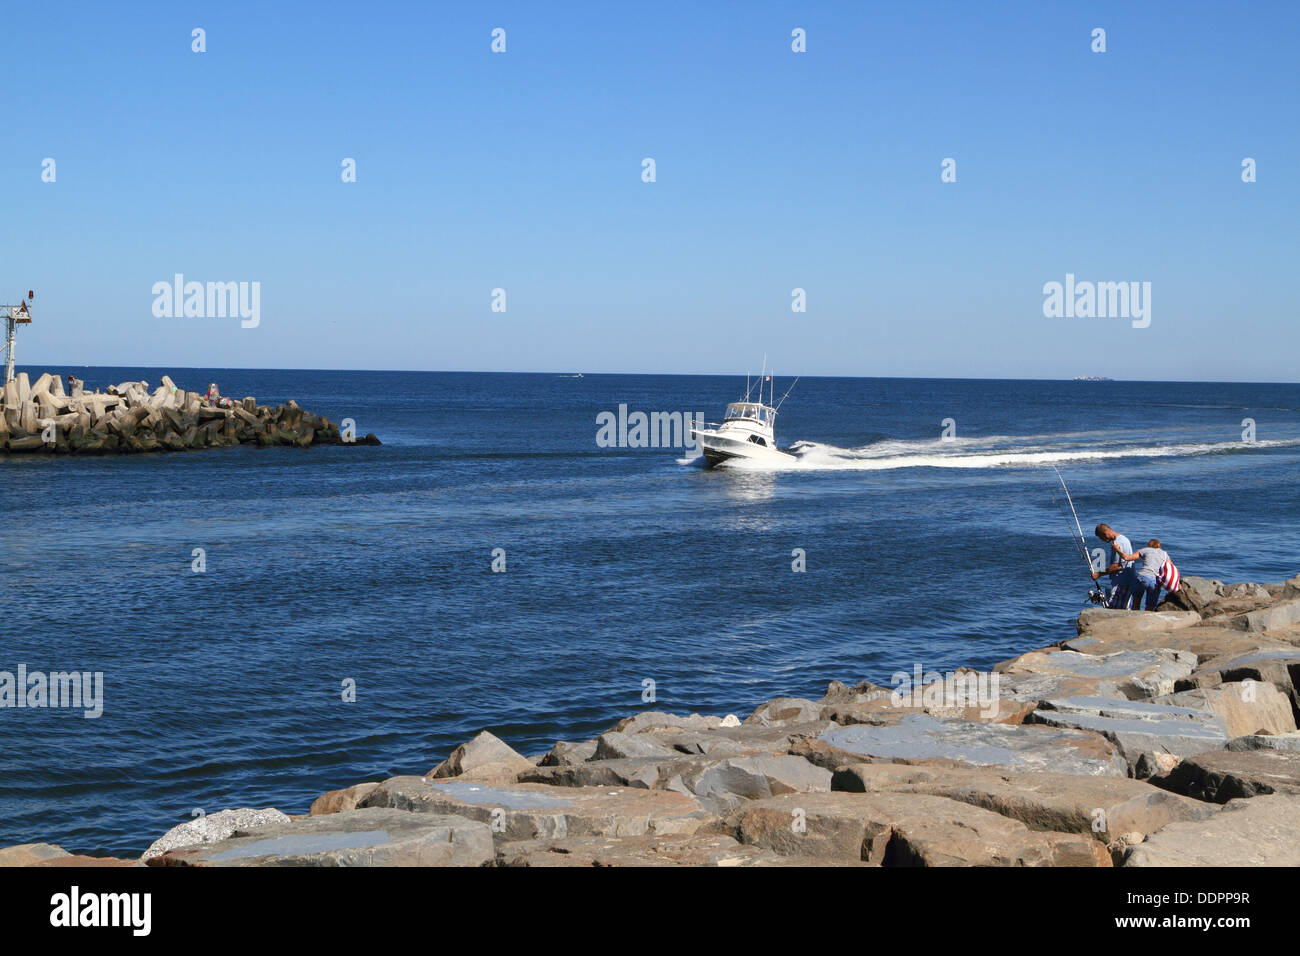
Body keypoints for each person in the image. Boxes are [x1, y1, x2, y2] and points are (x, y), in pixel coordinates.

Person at [1092, 523, 1139, 609]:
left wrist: (1098, 574)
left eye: (1101, 538)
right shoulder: (1123, 539)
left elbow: (1117, 566)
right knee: (1123, 608)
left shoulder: (1118, 543)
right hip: (1126, 581)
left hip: (1122, 583)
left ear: (1105, 534)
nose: (1102, 540)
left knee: (1116, 609)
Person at [1131, 538, 1171, 611]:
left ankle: (1134, 619)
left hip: (1143, 577)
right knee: (1150, 606)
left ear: (1149, 545)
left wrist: (1118, 550)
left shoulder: (1145, 550)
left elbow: (1128, 558)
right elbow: (1170, 567)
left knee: (1136, 602)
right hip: (1155, 580)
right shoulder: (1164, 554)